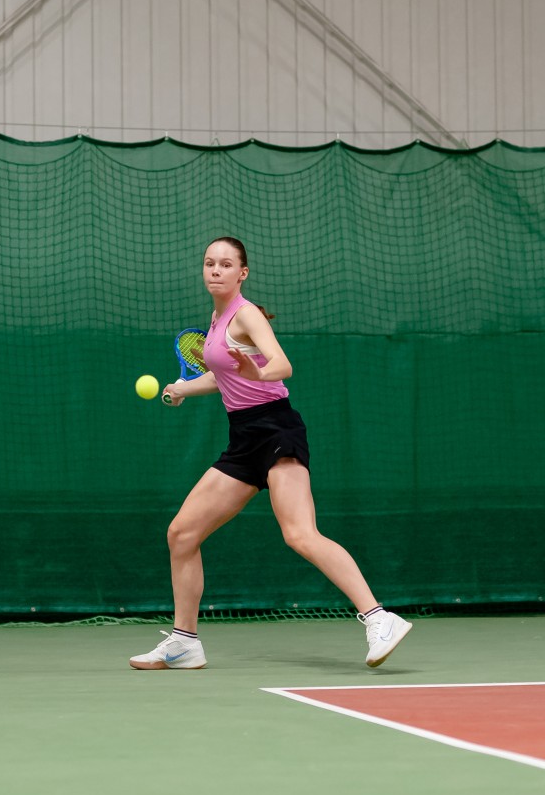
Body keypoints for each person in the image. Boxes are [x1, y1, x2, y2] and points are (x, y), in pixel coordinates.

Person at [129, 237, 412, 671]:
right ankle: (184, 642)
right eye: (209, 263)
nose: (215, 270)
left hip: (277, 431)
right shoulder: (216, 318)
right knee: (182, 534)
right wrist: (185, 388)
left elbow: (282, 364)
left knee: (300, 534)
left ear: (242, 273)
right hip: (243, 438)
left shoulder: (246, 315)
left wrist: (257, 371)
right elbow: (222, 376)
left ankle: (379, 618)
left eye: (226, 264)